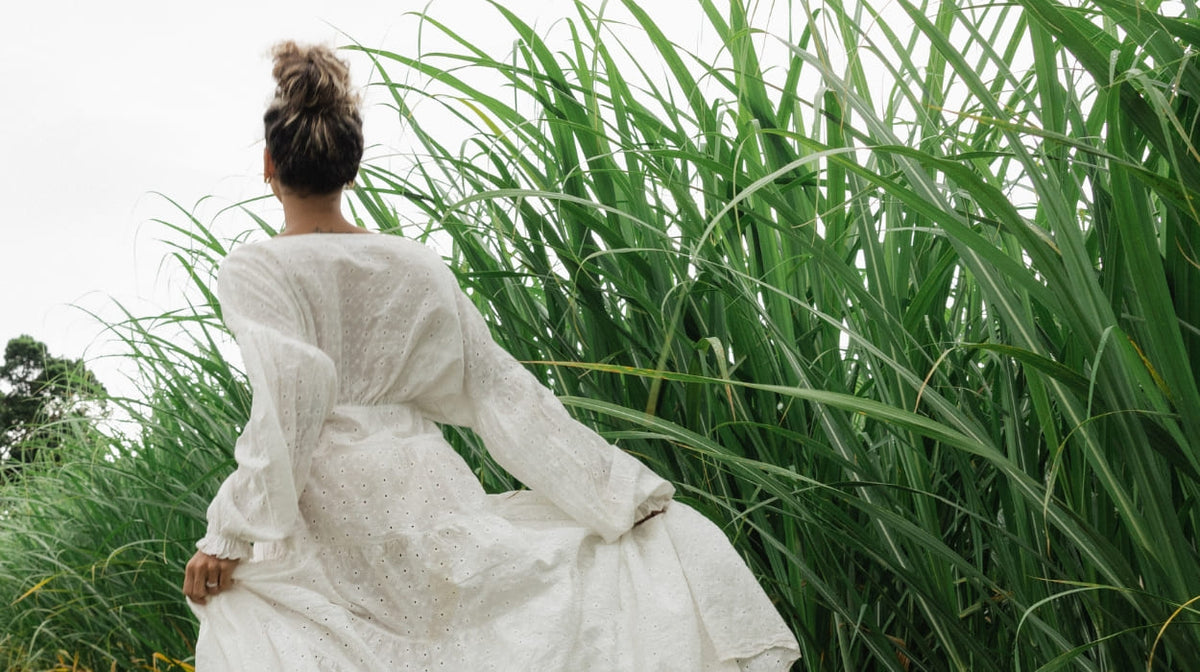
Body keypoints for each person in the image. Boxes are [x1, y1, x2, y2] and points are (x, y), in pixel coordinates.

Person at [183, 40, 800, 671]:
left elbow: (295, 392)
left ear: (268, 164)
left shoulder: (257, 268)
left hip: (330, 504)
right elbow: (496, 390)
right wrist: (613, 491)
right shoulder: (414, 264)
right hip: (421, 486)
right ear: (352, 167)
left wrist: (230, 533)